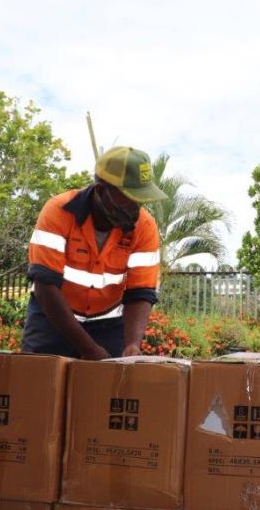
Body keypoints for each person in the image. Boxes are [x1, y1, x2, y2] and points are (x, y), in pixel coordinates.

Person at [22, 146, 167, 359]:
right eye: (129, 198)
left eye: (140, 199)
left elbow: (141, 291)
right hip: (51, 320)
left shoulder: (145, 227)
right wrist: (88, 349)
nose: (136, 208)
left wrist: (132, 344)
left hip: (108, 325)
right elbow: (45, 287)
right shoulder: (58, 212)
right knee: (41, 387)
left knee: (106, 391)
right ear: (101, 191)